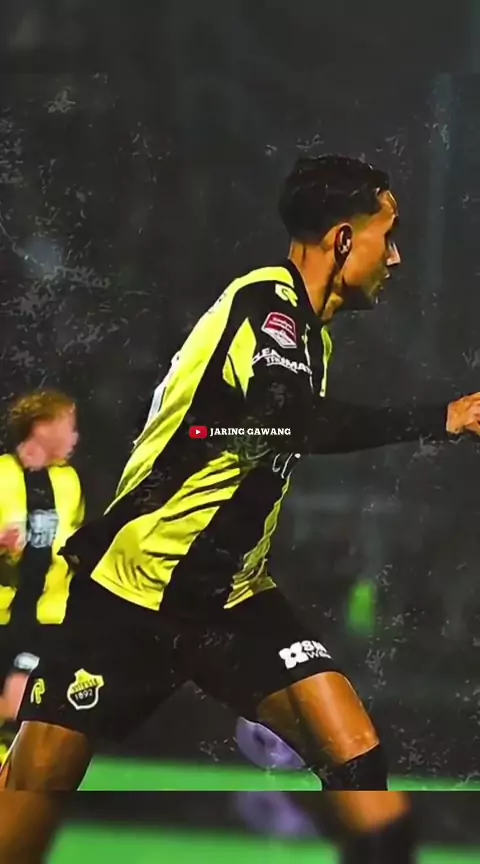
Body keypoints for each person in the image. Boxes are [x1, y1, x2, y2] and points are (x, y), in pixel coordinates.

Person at [1, 154, 480, 864]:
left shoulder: (311, 336)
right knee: (31, 800)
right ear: (343, 239)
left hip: (229, 597)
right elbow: (290, 422)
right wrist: (443, 417)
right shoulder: (269, 308)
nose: (397, 257)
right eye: (389, 235)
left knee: (355, 752)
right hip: (134, 588)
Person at [0, 390, 84, 762]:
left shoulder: (68, 482)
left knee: (20, 706)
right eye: (69, 427)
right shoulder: (2, 475)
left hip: (45, 619)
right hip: (5, 613)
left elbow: (71, 537)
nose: (75, 437)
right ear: (41, 426)